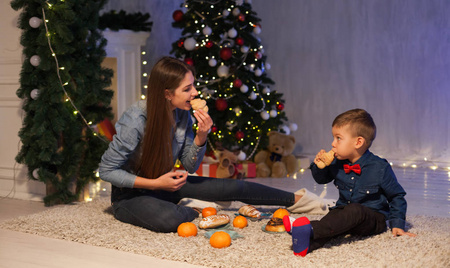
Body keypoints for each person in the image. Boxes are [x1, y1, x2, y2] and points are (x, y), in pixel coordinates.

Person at [99, 56, 331, 233]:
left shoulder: (182, 114)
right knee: (169, 220)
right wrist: (154, 183)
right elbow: (107, 171)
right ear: (167, 94)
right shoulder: (136, 120)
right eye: (187, 89)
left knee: (234, 187)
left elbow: (190, 166)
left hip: (166, 184)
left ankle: (297, 199)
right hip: (131, 195)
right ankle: (195, 207)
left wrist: (202, 135)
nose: (195, 92)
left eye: (193, 85)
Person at [283, 109, 416, 257]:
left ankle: (308, 228)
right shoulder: (337, 162)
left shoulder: (380, 168)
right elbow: (321, 180)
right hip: (345, 213)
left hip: (372, 219)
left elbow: (397, 196)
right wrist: (320, 167)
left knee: (353, 211)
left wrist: (397, 224)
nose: (333, 143)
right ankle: (306, 245)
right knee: (332, 221)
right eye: (333, 138)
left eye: (338, 138)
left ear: (358, 142)